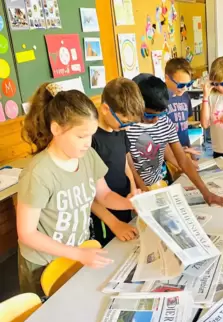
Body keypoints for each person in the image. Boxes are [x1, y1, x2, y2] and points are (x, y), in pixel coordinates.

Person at [17, 83, 137, 296]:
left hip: (76, 252)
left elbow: (105, 195)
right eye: (81, 136)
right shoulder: (38, 173)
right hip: (43, 263)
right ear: (56, 129)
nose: (87, 143)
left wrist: (132, 202)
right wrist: (77, 253)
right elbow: (27, 233)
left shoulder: (88, 155)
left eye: (90, 135)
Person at [126, 74, 223, 207]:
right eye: (150, 115)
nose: (156, 120)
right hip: (136, 192)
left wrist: (206, 192)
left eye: (161, 114)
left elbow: (183, 160)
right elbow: (130, 168)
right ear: (136, 104)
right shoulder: (127, 128)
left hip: (158, 185)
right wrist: (144, 193)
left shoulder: (165, 122)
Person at [90, 78, 144, 247]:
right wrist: (113, 223)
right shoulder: (90, 139)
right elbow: (90, 195)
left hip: (123, 202)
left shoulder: (118, 129)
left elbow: (125, 165)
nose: (127, 128)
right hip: (105, 215)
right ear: (106, 109)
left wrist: (133, 190)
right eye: (125, 122)